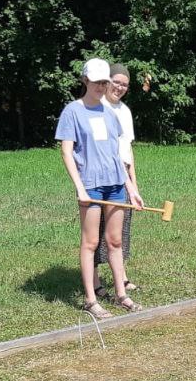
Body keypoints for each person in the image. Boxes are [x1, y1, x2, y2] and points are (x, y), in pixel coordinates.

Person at [56, 57, 144, 319]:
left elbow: (116, 155)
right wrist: (80, 187)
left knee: (115, 241)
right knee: (91, 242)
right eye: (96, 81)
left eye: (104, 81)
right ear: (85, 80)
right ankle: (91, 300)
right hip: (91, 186)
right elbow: (66, 152)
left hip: (115, 184)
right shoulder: (73, 111)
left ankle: (121, 294)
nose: (100, 86)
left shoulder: (109, 112)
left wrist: (131, 188)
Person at [93, 63, 142, 297]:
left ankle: (121, 278)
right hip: (102, 175)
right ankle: (94, 283)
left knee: (121, 230)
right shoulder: (97, 107)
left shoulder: (125, 110)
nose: (120, 87)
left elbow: (127, 149)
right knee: (97, 230)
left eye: (125, 84)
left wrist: (134, 183)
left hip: (123, 175)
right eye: (117, 82)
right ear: (107, 81)